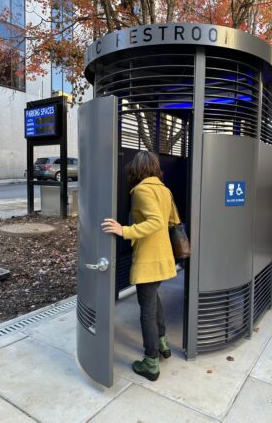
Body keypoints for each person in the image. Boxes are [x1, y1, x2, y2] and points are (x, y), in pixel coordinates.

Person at [101, 151, 180, 381]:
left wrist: (125, 231)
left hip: (149, 257)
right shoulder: (164, 190)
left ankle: (151, 362)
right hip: (163, 256)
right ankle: (163, 343)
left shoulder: (142, 190)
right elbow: (172, 219)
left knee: (146, 310)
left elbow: (155, 221)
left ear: (137, 169)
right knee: (153, 300)